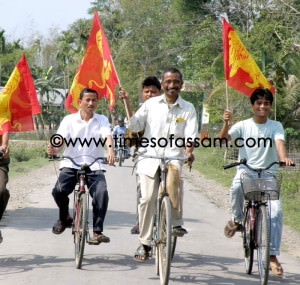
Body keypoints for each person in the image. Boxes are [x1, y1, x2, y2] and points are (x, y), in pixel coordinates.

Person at [119, 67, 198, 261]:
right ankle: (144, 243)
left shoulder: (188, 108)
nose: (172, 85)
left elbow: (191, 134)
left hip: (173, 156)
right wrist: (127, 103)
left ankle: (175, 224)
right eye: (168, 82)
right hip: (149, 156)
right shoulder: (151, 104)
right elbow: (135, 125)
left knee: (174, 184)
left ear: (181, 84)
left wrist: (188, 151)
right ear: (162, 85)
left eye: (176, 82)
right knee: (146, 199)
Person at [218, 88, 293, 277]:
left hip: (267, 175)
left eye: (266, 103)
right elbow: (223, 140)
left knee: (275, 212)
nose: (262, 106)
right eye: (259, 103)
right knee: (236, 187)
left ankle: (272, 255)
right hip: (247, 172)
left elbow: (279, 144)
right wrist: (226, 123)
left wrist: (284, 158)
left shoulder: (275, 126)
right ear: (252, 105)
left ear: (270, 106)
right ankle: (236, 219)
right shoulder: (243, 125)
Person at [47, 87, 115, 243]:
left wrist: (110, 152)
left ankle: (97, 231)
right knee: (58, 191)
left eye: (94, 100)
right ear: (79, 102)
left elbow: (107, 137)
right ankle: (64, 217)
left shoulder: (102, 119)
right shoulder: (68, 120)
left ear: (97, 102)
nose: (91, 103)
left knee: (102, 193)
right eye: (87, 100)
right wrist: (54, 149)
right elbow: (60, 140)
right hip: (71, 163)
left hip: (94, 164)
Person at [129, 76, 162, 235]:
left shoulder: (166, 109)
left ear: (160, 93)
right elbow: (129, 135)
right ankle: (140, 221)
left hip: (166, 154)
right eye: (147, 91)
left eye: (153, 92)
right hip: (145, 155)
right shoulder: (139, 111)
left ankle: (171, 220)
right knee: (141, 190)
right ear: (142, 93)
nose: (149, 94)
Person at [0, 131, 10, 243]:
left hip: (0, 160)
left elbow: (5, 130)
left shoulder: (3, 115)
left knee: (2, 190)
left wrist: (4, 145)